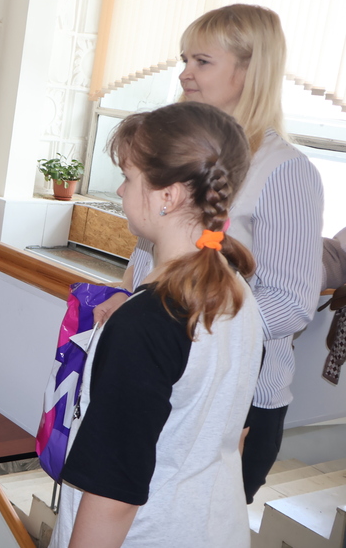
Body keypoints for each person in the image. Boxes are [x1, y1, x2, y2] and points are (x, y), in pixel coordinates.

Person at [93, 4, 325, 503]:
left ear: (250, 70)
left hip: (233, 399)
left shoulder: (286, 171)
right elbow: (151, 256)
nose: (184, 74)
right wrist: (126, 298)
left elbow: (290, 303)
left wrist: (179, 330)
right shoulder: (183, 152)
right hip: (163, 379)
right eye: (184, 60)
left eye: (201, 61)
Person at [51, 102, 263, 548]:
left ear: (169, 196)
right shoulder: (238, 294)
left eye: (129, 178)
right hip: (213, 528)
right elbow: (232, 434)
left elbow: (114, 496)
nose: (120, 189)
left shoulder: (147, 323)